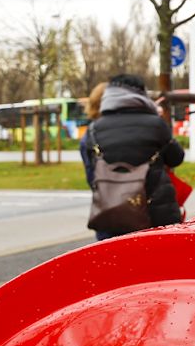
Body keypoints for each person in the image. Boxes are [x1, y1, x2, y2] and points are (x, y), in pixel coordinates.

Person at [79, 74, 185, 240]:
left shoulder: (93, 130)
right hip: (156, 217)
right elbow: (176, 158)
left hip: (110, 215)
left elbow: (92, 175)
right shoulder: (155, 124)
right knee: (158, 256)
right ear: (141, 94)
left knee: (114, 256)